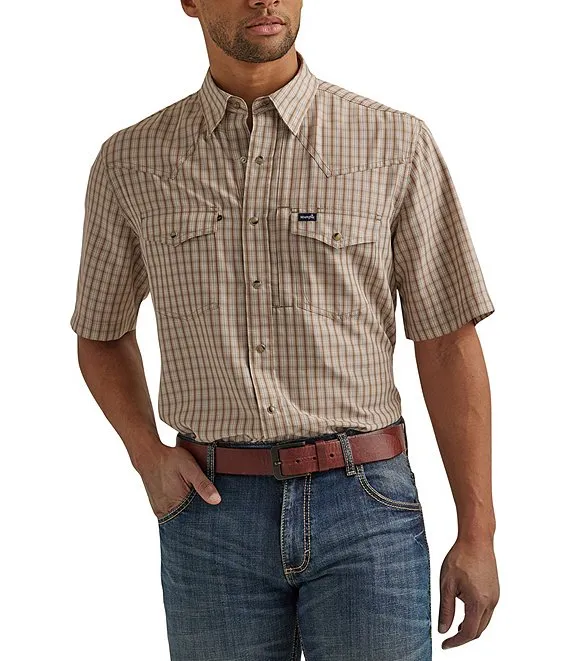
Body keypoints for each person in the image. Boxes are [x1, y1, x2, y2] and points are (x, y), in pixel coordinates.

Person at [69, 1, 500, 659]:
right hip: (210, 513)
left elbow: (447, 340)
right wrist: (146, 454)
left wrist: (478, 532)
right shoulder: (131, 161)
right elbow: (101, 332)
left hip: (367, 506)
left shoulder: (394, 142)